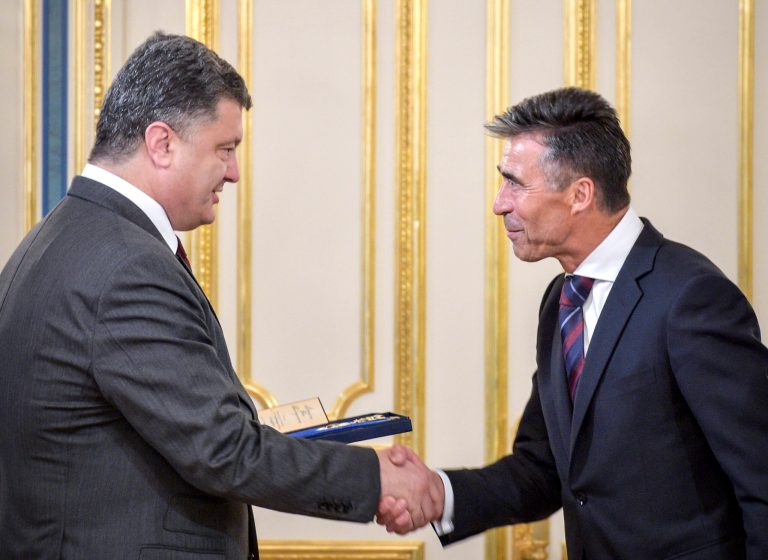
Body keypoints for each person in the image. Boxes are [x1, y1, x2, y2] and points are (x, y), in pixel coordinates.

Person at [0, 33, 443, 559]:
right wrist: (375, 480)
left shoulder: (59, 237)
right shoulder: (127, 266)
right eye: (225, 149)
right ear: (162, 143)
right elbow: (221, 449)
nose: (233, 172)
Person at [378, 87, 768, 559]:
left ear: (580, 193)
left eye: (515, 183)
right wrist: (440, 493)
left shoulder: (691, 298)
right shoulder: (560, 299)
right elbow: (543, 468)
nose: (500, 204)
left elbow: (761, 479)